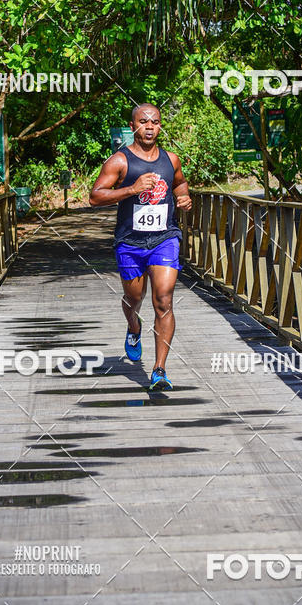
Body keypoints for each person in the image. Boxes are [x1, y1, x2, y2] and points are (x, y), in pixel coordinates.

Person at [89, 104, 192, 390]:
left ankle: (159, 370)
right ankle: (133, 327)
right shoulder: (119, 161)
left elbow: (180, 184)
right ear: (133, 126)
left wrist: (184, 198)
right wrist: (132, 189)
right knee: (134, 298)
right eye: (143, 122)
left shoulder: (171, 160)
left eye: (155, 122)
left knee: (163, 300)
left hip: (164, 238)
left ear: (160, 126)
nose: (149, 127)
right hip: (130, 242)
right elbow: (95, 197)